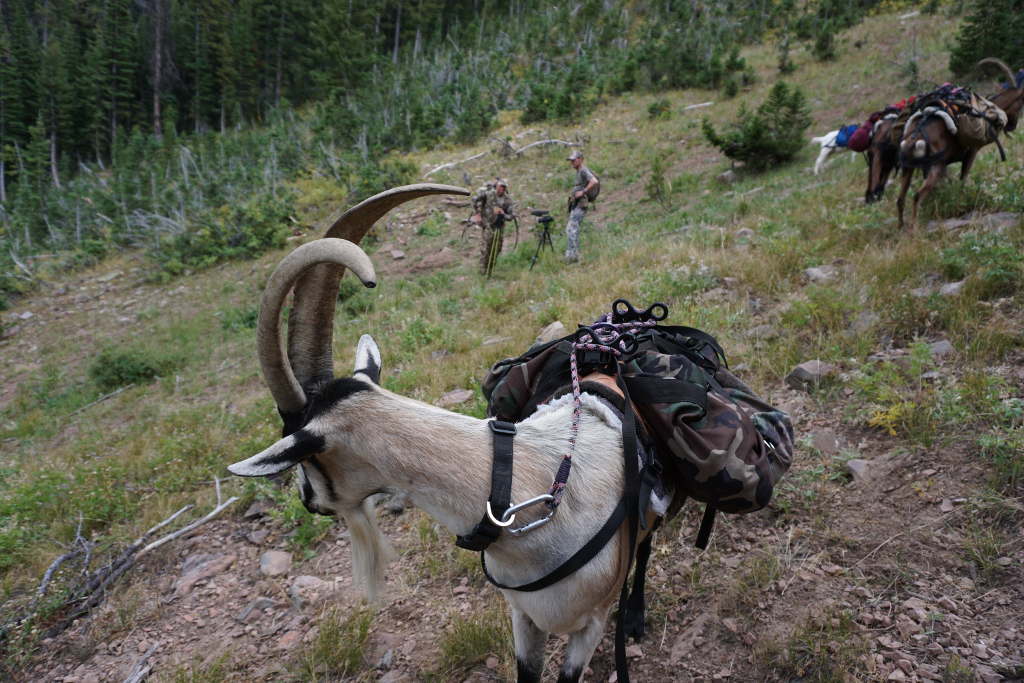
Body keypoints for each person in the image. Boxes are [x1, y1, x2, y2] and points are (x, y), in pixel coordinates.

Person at [470, 177, 515, 276]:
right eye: (500, 186)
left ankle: (491, 271)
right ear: (496, 186)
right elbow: (474, 200)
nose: (501, 189)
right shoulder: (489, 194)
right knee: (486, 248)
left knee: (497, 249)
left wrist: (503, 214)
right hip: (488, 225)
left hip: (499, 227)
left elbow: (511, 216)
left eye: (503, 187)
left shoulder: (507, 200)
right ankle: (482, 272)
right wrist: (477, 214)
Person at [564, 150, 599, 263]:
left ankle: (573, 256)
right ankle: (573, 254)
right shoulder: (579, 171)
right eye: (571, 161)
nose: (572, 162)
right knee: (572, 228)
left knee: (571, 228)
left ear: (580, 159)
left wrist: (583, 191)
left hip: (581, 204)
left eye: (574, 160)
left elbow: (594, 181)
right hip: (576, 204)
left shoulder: (583, 170)